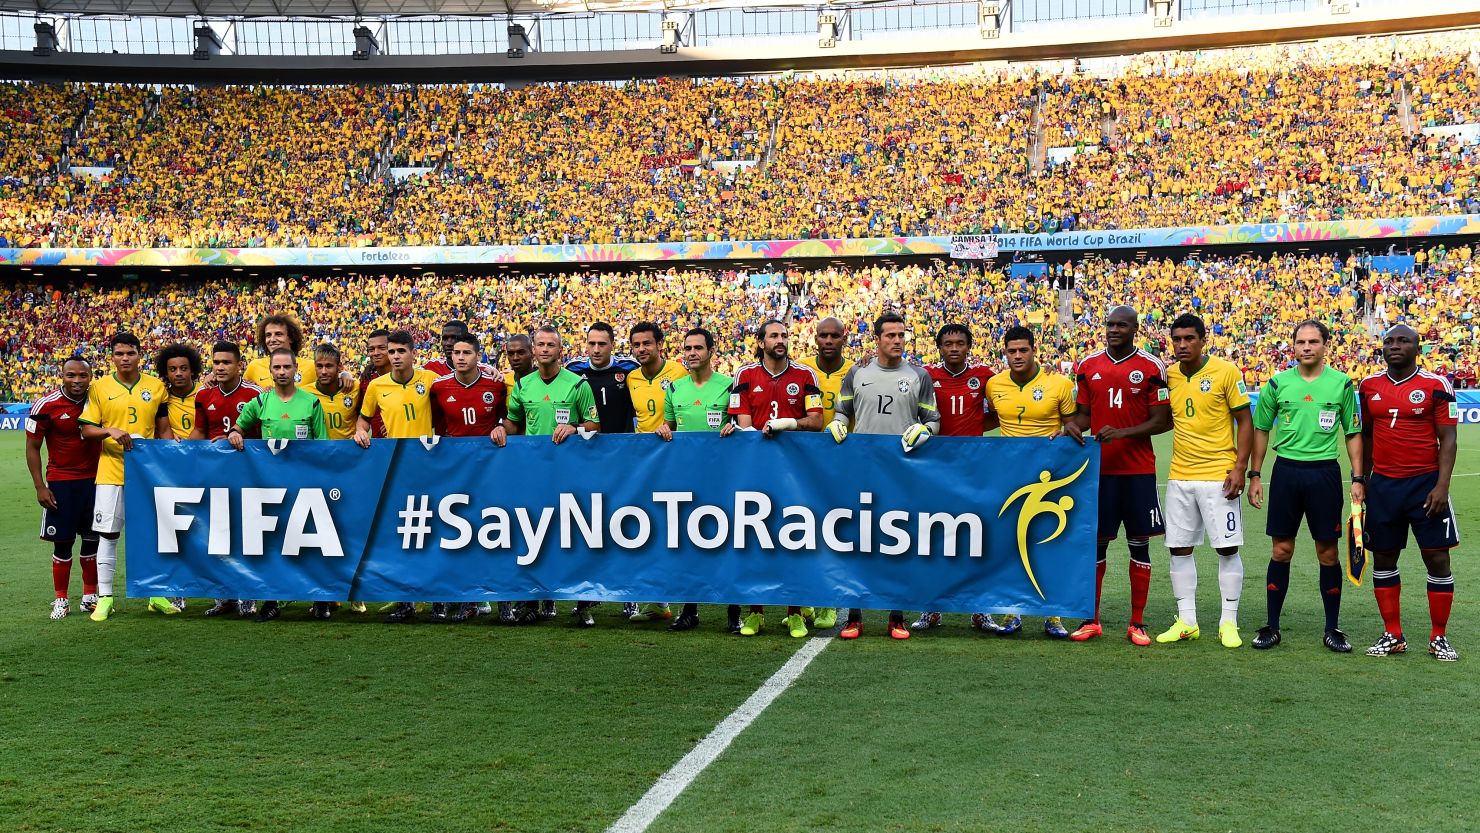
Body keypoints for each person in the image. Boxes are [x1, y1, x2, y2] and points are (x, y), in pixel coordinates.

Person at [1246, 320, 1364, 653]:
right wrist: (1256, 475)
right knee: (1281, 550)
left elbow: (1353, 433)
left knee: (1327, 553)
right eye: (1301, 342)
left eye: (1313, 341)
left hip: (1325, 474)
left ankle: (1332, 628)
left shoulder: (1341, 384)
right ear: (1293, 346)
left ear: (1326, 344)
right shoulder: (1277, 383)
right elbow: (1261, 430)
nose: (1307, 347)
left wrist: (1357, 479)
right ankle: (1271, 626)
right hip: (1286, 472)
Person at [1059, 306, 1171, 646]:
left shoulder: (1151, 367)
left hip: (1138, 471)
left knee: (1139, 545)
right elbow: (1083, 416)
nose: (1113, 329)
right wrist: (1071, 428)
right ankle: (1091, 619)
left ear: (1135, 329)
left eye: (1121, 325)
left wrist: (1122, 433)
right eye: (1109, 324)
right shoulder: (1088, 366)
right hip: (1099, 472)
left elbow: (1163, 420)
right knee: (1096, 544)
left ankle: (1137, 623)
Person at [829, 312, 940, 640]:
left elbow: (933, 420)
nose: (896, 340)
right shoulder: (857, 372)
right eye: (890, 335)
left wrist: (925, 430)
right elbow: (842, 412)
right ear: (876, 339)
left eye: (901, 335)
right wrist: (836, 423)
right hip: (861, 470)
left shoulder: (919, 375)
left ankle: (896, 616)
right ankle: (854, 616)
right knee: (856, 542)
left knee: (898, 543)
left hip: (901, 471)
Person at [1357, 324, 1460, 661]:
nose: (1395, 346)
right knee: (1384, 558)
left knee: (1437, 558)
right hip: (1384, 485)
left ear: (1418, 347)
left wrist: (1442, 486)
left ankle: (1439, 636)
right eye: (1389, 341)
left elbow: (1448, 439)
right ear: (1382, 348)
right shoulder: (1368, 385)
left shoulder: (1436, 384)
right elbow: (1368, 436)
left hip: (1426, 485)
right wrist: (1365, 479)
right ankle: (1393, 634)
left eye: (1403, 341)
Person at [491, 325, 600, 625]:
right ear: (535, 349)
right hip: (533, 472)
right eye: (540, 344)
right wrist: (502, 428)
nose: (545, 349)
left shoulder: (578, 384)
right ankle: (530, 601)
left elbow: (594, 425)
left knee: (574, 535)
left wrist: (575, 429)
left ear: (560, 350)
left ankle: (583, 604)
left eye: (551, 344)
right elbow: (514, 423)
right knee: (533, 535)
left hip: (570, 472)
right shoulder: (524, 386)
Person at [1159, 313, 1254, 649]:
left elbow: (1245, 420)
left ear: (1203, 340)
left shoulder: (1226, 371)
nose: (1182, 345)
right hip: (1180, 476)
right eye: (1177, 339)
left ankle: (1229, 622)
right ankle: (1187, 621)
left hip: (1218, 476)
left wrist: (1240, 467)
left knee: (1226, 547)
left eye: (1189, 338)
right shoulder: (1168, 374)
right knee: (1178, 548)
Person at [727, 319, 824, 636]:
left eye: (784, 335)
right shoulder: (744, 375)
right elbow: (742, 422)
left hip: (795, 472)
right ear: (761, 342)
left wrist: (788, 424)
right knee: (755, 541)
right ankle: (755, 612)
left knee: (793, 539)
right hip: (755, 469)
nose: (780, 340)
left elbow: (816, 420)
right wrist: (743, 430)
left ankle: (794, 611)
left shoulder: (804, 375)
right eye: (774, 336)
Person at [982, 325, 1078, 639]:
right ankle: (1013, 612)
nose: (1018, 356)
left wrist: (1065, 432)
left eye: (1024, 350)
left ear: (1034, 350)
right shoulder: (994, 384)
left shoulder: (1058, 384)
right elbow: (991, 417)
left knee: (1050, 543)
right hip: (1010, 477)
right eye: (1012, 351)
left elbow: (1073, 424)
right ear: (1005, 353)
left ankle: (1054, 615)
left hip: (1051, 479)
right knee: (1012, 545)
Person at [77, 333, 178, 622]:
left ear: (139, 355)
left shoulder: (156, 387)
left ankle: (155, 594)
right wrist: (110, 431)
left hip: (146, 473)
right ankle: (105, 598)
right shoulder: (99, 388)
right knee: (108, 533)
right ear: (112, 356)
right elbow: (86, 430)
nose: (124, 358)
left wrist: (172, 457)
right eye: (119, 353)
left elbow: (163, 430)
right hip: (111, 470)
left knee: (151, 533)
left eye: (130, 353)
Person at [228, 347, 330, 622]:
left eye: (287, 367)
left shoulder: (311, 403)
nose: (282, 372)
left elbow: (323, 446)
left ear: (296, 369)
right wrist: (236, 434)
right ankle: (271, 602)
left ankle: (320, 601)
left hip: (306, 485)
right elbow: (238, 427)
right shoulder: (260, 403)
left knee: (312, 543)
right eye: (277, 368)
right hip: (270, 485)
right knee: (272, 544)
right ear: (271, 371)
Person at [912, 323, 997, 631]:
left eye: (960, 343)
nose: (954, 348)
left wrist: (973, 430)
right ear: (940, 347)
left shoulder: (985, 376)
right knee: (934, 538)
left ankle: (980, 608)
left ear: (969, 346)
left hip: (973, 470)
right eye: (948, 343)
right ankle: (931, 608)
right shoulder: (926, 376)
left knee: (977, 538)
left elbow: (999, 413)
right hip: (934, 469)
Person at [355, 330, 440, 623]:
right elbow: (364, 418)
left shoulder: (429, 379)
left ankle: (434, 598)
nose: (395, 357)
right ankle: (406, 600)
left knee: (431, 533)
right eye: (391, 352)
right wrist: (360, 431)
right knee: (403, 534)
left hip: (429, 467)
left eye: (400, 351)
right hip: (395, 468)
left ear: (413, 353)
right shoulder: (377, 386)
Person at [656, 327, 737, 631]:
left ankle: (734, 612)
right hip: (686, 476)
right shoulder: (675, 389)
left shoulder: (729, 386)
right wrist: (664, 430)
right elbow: (668, 425)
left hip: (723, 476)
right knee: (690, 542)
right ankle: (689, 610)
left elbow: (743, 426)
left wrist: (735, 430)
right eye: (688, 348)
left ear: (711, 351)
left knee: (730, 542)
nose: (691, 353)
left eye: (698, 348)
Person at [431, 333, 509, 623]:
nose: (460, 357)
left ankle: (503, 599)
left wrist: (501, 425)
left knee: (494, 531)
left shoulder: (496, 385)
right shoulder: (439, 387)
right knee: (459, 534)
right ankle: (466, 597)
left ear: (479, 356)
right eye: (456, 352)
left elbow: (509, 418)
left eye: (466, 352)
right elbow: (436, 425)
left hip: (492, 470)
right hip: (456, 471)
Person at [566, 323, 643, 618]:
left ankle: (630, 594)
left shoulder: (629, 369)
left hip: (623, 460)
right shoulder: (573, 370)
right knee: (588, 527)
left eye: (602, 344)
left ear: (612, 345)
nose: (596, 349)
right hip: (586, 459)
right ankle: (586, 596)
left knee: (627, 527)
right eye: (591, 344)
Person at [190, 340, 265, 617]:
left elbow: (262, 432)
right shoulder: (203, 396)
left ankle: (248, 593)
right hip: (216, 475)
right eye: (216, 362)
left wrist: (240, 436)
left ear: (239, 365)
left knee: (248, 534)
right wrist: (179, 453)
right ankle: (225, 595)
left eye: (226, 362)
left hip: (248, 475)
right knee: (218, 534)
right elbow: (200, 432)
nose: (220, 367)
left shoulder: (255, 394)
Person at [25, 357, 101, 620]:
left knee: (92, 541)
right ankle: (61, 600)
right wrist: (40, 487)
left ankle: (90, 598)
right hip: (61, 482)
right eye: (71, 375)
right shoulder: (45, 405)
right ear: (62, 375)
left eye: (82, 375)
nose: (77, 381)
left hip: (96, 480)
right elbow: (32, 448)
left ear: (90, 377)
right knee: (63, 544)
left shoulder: (99, 399)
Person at [624, 321, 686, 622]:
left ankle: (687, 600)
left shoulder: (678, 372)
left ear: (660, 344)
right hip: (645, 463)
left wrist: (672, 427)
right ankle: (657, 601)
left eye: (647, 343)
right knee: (649, 528)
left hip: (676, 460)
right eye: (636, 345)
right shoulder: (631, 376)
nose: (641, 349)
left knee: (678, 529)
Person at [155, 342, 203, 610]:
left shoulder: (205, 394)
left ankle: (223, 594)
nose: (179, 374)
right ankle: (177, 591)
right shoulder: (161, 397)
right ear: (166, 372)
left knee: (209, 531)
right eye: (172, 369)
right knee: (176, 534)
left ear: (193, 370)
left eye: (184, 368)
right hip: (171, 474)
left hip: (204, 472)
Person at [798, 316, 854, 427]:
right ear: (815, 339)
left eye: (835, 336)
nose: (828, 341)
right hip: (807, 442)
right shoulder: (800, 367)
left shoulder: (855, 371)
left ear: (844, 340)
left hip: (844, 443)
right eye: (823, 336)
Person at [244, 314, 318, 390]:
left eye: (278, 334)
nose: (272, 339)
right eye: (268, 335)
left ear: (291, 338)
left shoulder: (312, 367)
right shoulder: (254, 367)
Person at [305, 344, 360, 441]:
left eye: (329, 366)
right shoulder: (305, 393)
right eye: (319, 366)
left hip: (349, 451)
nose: (324, 371)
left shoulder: (355, 387)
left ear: (339, 366)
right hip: (320, 452)